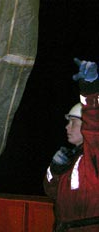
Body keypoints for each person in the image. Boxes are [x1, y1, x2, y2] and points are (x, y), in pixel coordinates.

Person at [43, 58, 99, 232]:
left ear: (86, 125)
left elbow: (94, 121)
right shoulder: (72, 158)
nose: (67, 127)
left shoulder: (95, 154)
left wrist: (90, 87)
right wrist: (55, 168)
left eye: (73, 122)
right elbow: (50, 191)